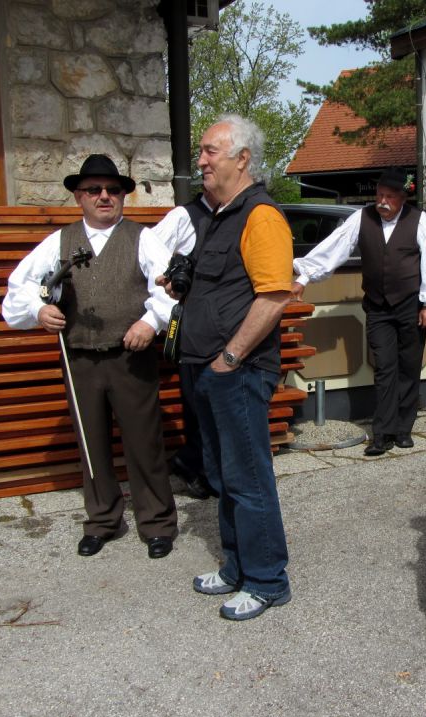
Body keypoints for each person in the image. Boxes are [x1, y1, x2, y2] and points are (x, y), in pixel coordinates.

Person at [2, 154, 178, 559]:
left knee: (143, 442)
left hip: (130, 358)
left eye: (113, 190)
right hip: (79, 357)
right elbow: (18, 289)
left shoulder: (143, 238)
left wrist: (150, 322)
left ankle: (156, 523)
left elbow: (171, 289)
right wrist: (38, 310)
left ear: (122, 197)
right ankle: (102, 521)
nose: (104, 197)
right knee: (91, 441)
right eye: (94, 190)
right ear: (78, 197)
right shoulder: (59, 243)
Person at [160, 114, 293, 621]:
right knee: (221, 474)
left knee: (248, 477)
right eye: (200, 151)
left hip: (236, 371)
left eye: (211, 151)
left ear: (243, 158)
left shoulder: (260, 216)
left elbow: (275, 296)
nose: (201, 160)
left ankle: (267, 580)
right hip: (205, 368)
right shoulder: (216, 215)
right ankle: (238, 566)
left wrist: (230, 357)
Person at [291, 166, 426, 456]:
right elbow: (335, 248)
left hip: (410, 306)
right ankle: (383, 433)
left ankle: (403, 429)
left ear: (403, 198)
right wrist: (304, 277)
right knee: (385, 368)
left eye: (390, 196)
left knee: (409, 366)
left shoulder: (419, 220)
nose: (383, 201)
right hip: (378, 307)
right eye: (380, 195)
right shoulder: (362, 217)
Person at [151, 191, 217, 500]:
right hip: (191, 325)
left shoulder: (237, 215)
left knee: (217, 402)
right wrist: (161, 313)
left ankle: (204, 466)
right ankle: (193, 465)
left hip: (224, 324)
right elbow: (149, 262)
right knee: (197, 401)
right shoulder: (183, 217)